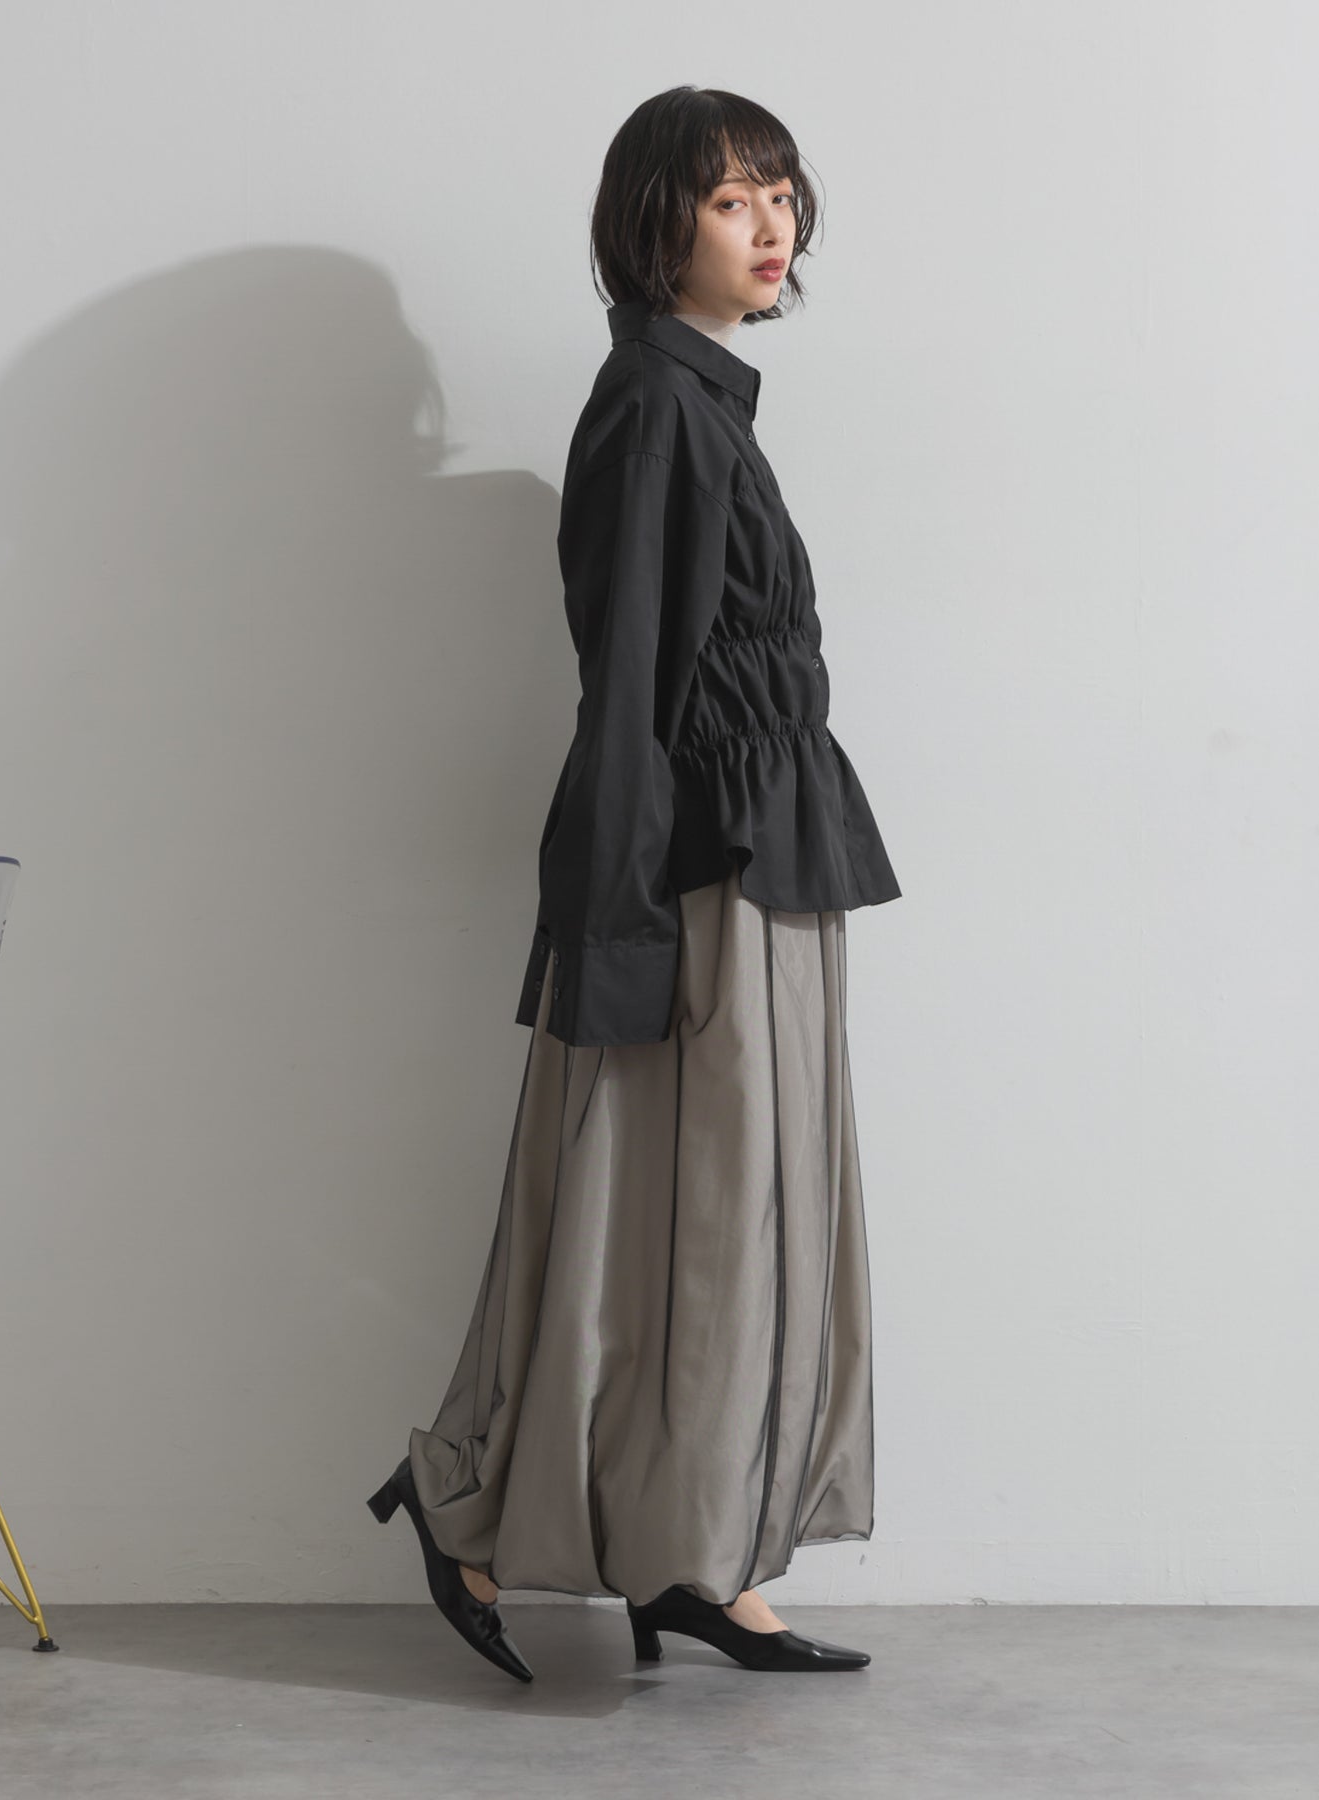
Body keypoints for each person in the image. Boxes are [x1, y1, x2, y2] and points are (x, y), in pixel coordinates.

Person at [367, 85, 901, 1682]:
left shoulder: (701, 401)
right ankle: (471, 1503)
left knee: (730, 1222)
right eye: (731, 199)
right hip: (703, 869)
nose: (770, 224)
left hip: (764, 842)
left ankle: (694, 1560)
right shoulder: (658, 406)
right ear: (653, 223)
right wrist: (617, 918)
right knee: (677, 1219)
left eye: (781, 193)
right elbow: (632, 683)